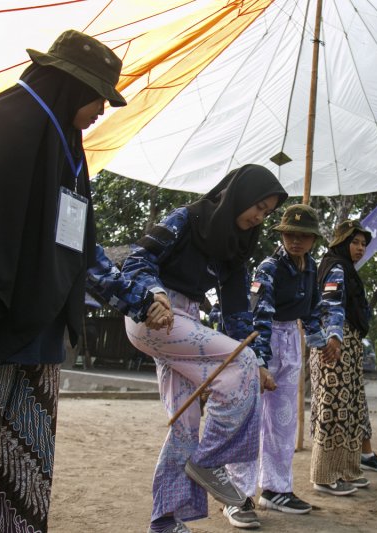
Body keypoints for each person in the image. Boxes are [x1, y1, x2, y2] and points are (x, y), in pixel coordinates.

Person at [0, 30, 173, 533]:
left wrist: (137, 300)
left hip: (37, 341)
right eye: (99, 96)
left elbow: (76, 247)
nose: (103, 108)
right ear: (67, 85)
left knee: (22, 478)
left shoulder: (66, 151)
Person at [121, 164, 287, 533]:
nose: (260, 216)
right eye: (258, 206)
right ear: (239, 195)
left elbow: (238, 313)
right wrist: (155, 294)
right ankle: (210, 460)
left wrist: (259, 363)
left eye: (267, 212)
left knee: (185, 424)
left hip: (187, 322)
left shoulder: (235, 248)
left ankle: (165, 521)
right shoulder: (188, 218)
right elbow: (136, 260)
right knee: (239, 362)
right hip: (152, 315)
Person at [228, 204, 334, 522]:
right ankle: (237, 495)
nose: (296, 241)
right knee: (250, 418)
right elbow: (259, 317)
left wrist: (321, 342)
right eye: (291, 235)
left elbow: (313, 309)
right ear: (283, 235)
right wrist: (260, 363)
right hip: (263, 338)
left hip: (292, 338)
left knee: (284, 420)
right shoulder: (269, 267)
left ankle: (275, 489)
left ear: (313, 239)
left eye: (303, 236)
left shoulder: (311, 267)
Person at [310, 220, 377, 495]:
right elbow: (331, 305)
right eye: (355, 242)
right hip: (335, 344)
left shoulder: (346, 270)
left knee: (349, 408)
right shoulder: (336, 267)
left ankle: (346, 470)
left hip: (349, 344)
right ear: (342, 242)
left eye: (364, 244)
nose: (360, 248)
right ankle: (324, 475)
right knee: (333, 406)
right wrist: (334, 339)